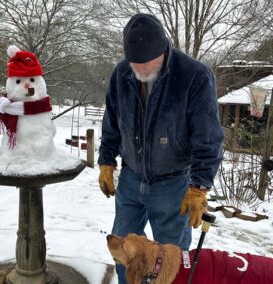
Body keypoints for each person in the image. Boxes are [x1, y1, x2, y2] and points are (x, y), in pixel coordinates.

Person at [98, 13, 224, 283]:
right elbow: (111, 122)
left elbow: (209, 137)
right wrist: (106, 161)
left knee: (171, 262)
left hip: (174, 184)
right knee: (124, 255)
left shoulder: (194, 76)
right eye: (135, 63)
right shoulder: (122, 74)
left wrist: (199, 186)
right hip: (131, 180)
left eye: (148, 63)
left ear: (164, 50)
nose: (141, 70)